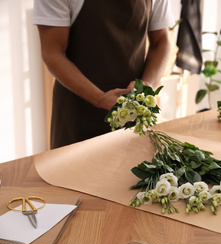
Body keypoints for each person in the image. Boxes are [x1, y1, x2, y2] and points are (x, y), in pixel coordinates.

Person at [33, 0, 174, 149]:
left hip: (133, 113)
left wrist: (147, 85)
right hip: (77, 114)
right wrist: (99, 98)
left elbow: (161, 41)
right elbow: (52, 52)